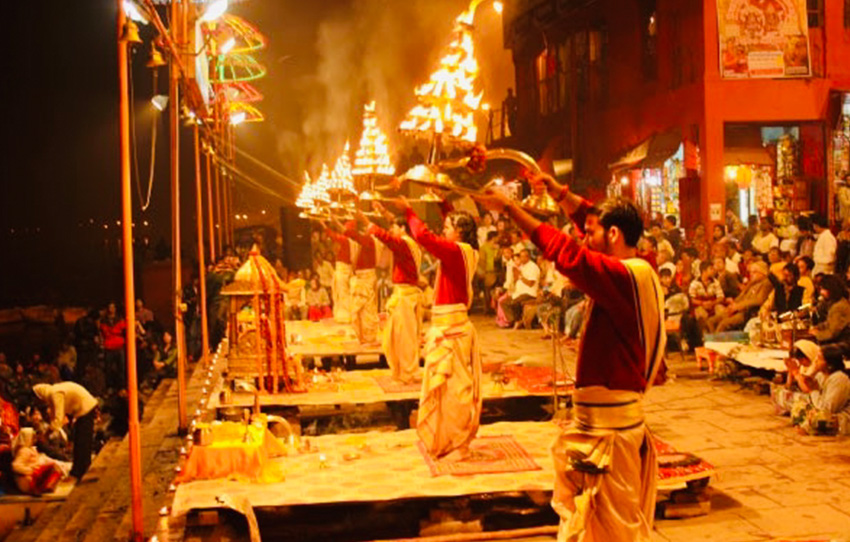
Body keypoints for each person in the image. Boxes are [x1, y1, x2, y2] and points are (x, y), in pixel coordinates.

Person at [474, 174, 665, 542]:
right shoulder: (635, 266)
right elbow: (592, 223)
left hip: (611, 433)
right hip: (602, 424)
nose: (582, 234)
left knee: (612, 530)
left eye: (590, 232)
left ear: (612, 236)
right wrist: (559, 192)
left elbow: (568, 254)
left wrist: (512, 209)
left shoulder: (624, 276)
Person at [386, 197, 480, 459]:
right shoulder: (463, 250)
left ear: (459, 232)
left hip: (453, 330)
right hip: (447, 327)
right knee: (444, 390)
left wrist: (407, 210)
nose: (444, 230)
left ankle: (459, 443)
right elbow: (444, 225)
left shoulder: (456, 251)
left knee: (455, 391)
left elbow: (424, 236)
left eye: (448, 227)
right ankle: (447, 438)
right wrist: (442, 203)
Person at [365, 210, 424, 384]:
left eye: (394, 227)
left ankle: (407, 373)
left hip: (406, 297)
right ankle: (401, 371)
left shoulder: (406, 244)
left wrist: (371, 226)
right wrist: (383, 212)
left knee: (404, 338)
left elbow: (389, 240)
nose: (392, 230)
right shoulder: (407, 244)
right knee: (393, 338)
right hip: (402, 294)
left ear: (402, 228)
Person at [32, 382, 97, 479]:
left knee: (82, 441)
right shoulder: (52, 394)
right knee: (80, 440)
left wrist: (46, 434)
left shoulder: (55, 393)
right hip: (81, 409)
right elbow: (54, 417)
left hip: (85, 408)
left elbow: (58, 418)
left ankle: (81, 469)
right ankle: (79, 468)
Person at [341, 219, 380, 345]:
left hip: (366, 279)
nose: (364, 231)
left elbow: (356, 237)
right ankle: (363, 337)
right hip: (360, 279)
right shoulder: (366, 242)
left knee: (367, 310)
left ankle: (369, 337)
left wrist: (343, 226)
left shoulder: (370, 241)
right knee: (359, 310)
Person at [705, 261, 772, 333]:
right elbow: (741, 296)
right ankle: (710, 340)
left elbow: (759, 300)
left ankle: (715, 342)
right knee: (710, 321)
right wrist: (733, 304)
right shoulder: (752, 283)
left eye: (754, 272)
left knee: (723, 324)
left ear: (762, 273)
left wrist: (738, 306)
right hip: (737, 308)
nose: (751, 274)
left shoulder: (766, 283)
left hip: (747, 312)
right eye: (750, 272)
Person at [323, 223, 357, 324]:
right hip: (347, 270)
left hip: (343, 271)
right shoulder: (354, 242)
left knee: (343, 294)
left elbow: (333, 235)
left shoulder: (346, 241)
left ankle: (345, 316)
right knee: (343, 294)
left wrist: (323, 225)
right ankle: (345, 315)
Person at [499, 249, 540, 329]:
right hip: (519, 292)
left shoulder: (533, 267)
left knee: (514, 303)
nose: (520, 259)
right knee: (504, 302)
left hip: (529, 292)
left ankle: (518, 321)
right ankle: (514, 320)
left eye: (522, 257)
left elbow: (530, 283)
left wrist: (520, 277)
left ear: (527, 257)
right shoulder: (522, 266)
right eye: (520, 257)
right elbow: (515, 278)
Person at [810, 275, 850, 344]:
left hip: (841, 344)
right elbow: (830, 322)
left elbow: (832, 333)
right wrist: (818, 327)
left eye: (823, 289)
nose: (821, 292)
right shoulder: (838, 302)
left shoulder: (838, 307)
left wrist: (817, 334)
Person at [99, 302, 126, 391]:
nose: (111, 309)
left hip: (119, 346)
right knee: (108, 368)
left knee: (121, 368)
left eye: (113, 307)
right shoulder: (103, 320)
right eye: (110, 307)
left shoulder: (120, 319)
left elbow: (124, 330)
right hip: (108, 346)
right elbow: (102, 332)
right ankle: (109, 387)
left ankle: (121, 386)